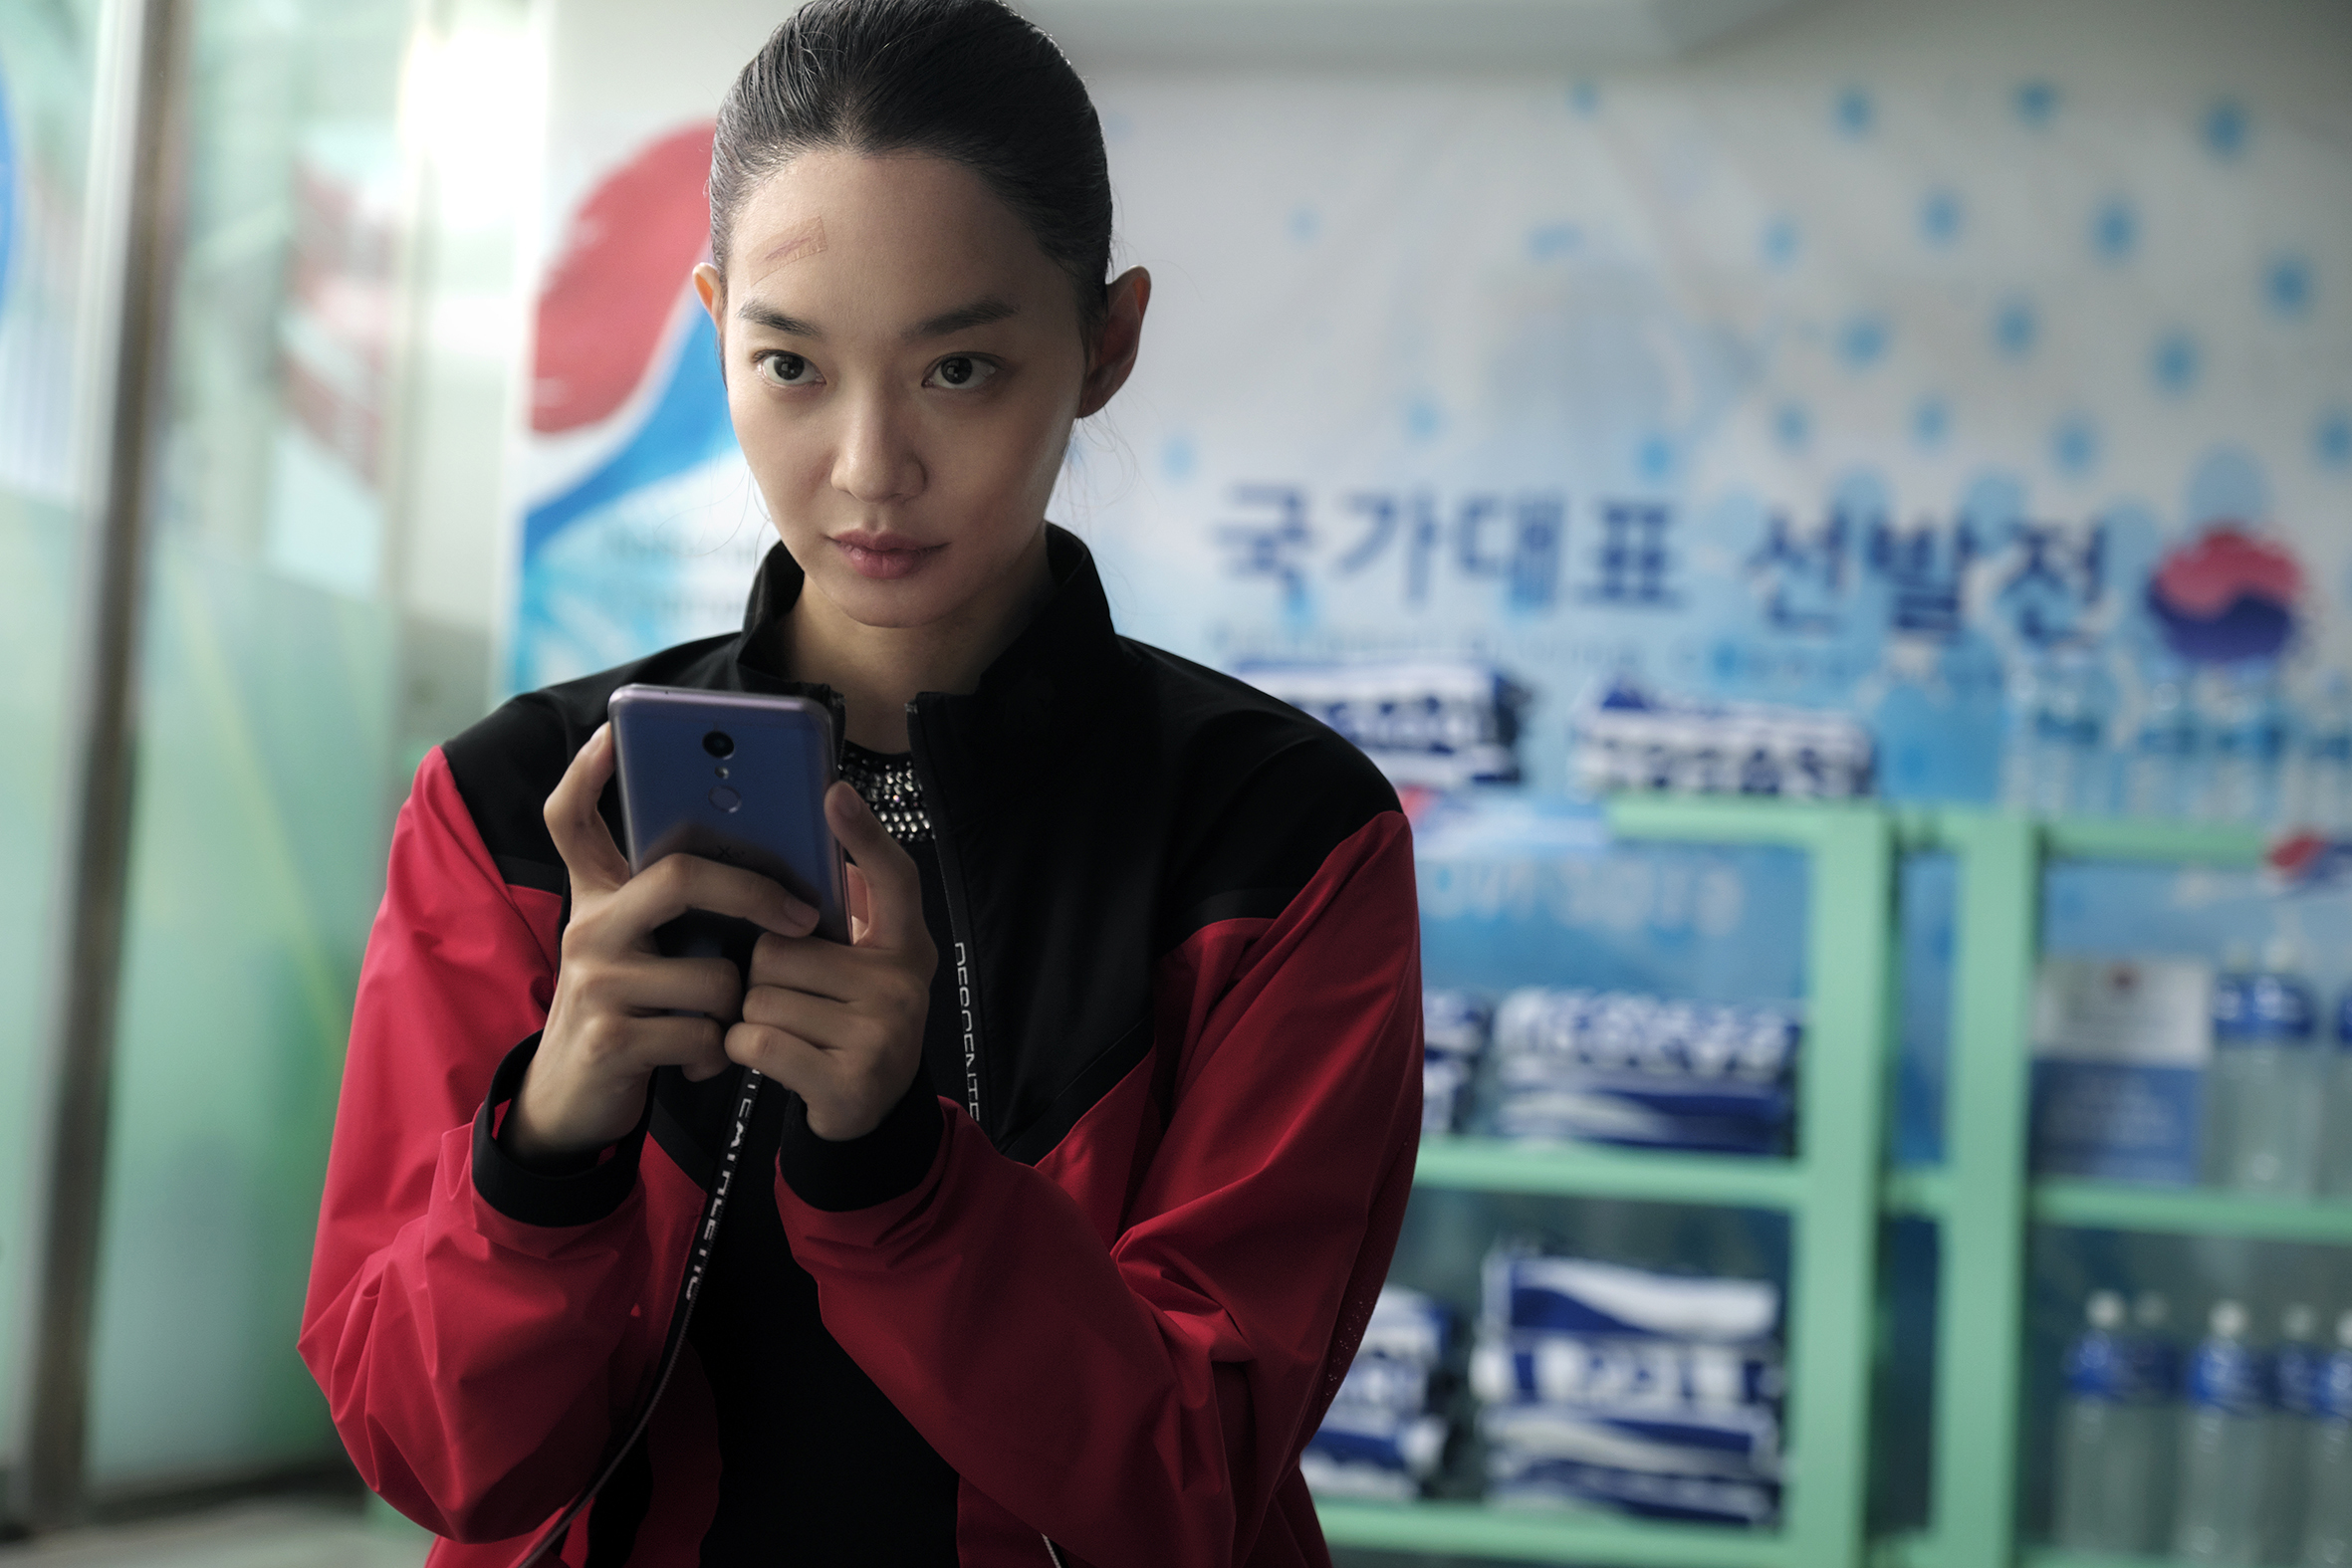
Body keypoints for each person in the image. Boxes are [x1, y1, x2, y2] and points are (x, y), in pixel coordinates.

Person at [299, 1, 1423, 1563]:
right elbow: (428, 1460)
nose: (867, 465)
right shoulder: (517, 808)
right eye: (791, 364)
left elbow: (1190, 1486)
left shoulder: (1279, 838)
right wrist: (545, 1141)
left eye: (959, 367)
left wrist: (900, 1176)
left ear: (1105, 345)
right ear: (713, 329)